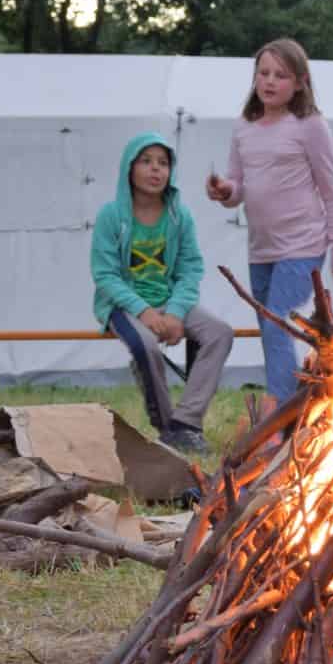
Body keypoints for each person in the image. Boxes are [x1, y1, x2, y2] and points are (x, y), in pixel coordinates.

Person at [204, 38, 333, 404]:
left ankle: (280, 415)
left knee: (276, 324)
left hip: (303, 245)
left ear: (300, 82)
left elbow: (332, 191)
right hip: (261, 250)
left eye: (281, 75)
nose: (270, 82)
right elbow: (239, 187)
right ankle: (306, 400)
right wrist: (225, 190)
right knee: (269, 327)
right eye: (263, 73)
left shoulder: (309, 125)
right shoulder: (244, 126)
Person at [91, 132, 234, 453]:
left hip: (169, 300)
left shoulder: (178, 215)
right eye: (146, 162)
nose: (155, 170)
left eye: (163, 163)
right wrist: (144, 312)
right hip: (122, 304)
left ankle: (186, 422)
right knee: (146, 346)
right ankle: (167, 426)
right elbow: (105, 274)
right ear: (129, 168)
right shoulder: (111, 216)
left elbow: (191, 268)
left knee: (219, 333)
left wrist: (175, 312)